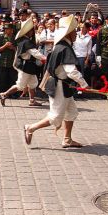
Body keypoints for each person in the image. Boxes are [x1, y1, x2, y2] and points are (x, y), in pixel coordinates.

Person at [23, 15, 89, 148]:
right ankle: (30, 128)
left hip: (64, 86)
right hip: (59, 86)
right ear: (69, 34)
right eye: (74, 32)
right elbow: (71, 71)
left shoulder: (60, 46)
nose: (76, 34)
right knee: (55, 117)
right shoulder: (64, 48)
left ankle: (67, 139)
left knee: (71, 112)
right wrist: (84, 83)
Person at [0, 18, 46, 107]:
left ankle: (32, 100)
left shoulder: (24, 40)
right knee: (20, 85)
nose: (32, 32)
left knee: (33, 83)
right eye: (30, 31)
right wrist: (45, 58)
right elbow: (34, 52)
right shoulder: (26, 41)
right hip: (25, 66)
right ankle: (4, 94)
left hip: (29, 65)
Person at [0, 21, 17, 93]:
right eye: (5, 29)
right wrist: (5, 46)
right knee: (2, 79)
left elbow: (18, 50)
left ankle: (12, 93)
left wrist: (12, 48)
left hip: (12, 62)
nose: (6, 30)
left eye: (8, 29)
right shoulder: (2, 37)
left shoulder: (15, 38)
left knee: (12, 79)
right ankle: (2, 93)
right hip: (3, 62)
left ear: (12, 30)